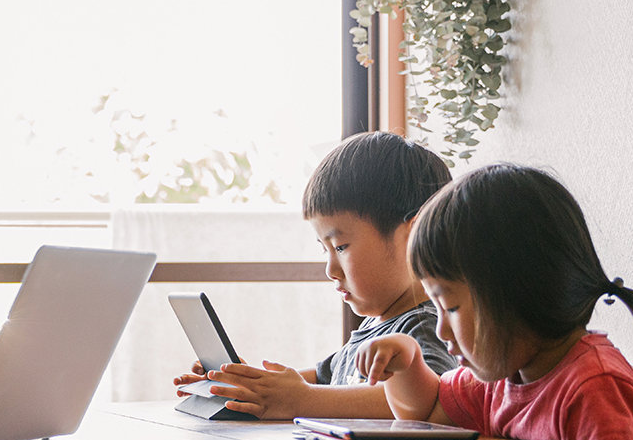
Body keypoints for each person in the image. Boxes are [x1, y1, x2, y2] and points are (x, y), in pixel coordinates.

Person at [356, 164, 633, 440]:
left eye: (449, 306)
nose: (441, 330)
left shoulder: (595, 392)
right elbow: (427, 412)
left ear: (515, 294)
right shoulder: (505, 379)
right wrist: (408, 362)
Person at [174, 132, 458, 422]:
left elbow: (432, 399)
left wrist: (301, 399)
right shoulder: (375, 327)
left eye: (341, 247)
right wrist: (251, 385)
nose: (330, 270)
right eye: (325, 250)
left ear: (414, 235)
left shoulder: (427, 326)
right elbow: (324, 380)